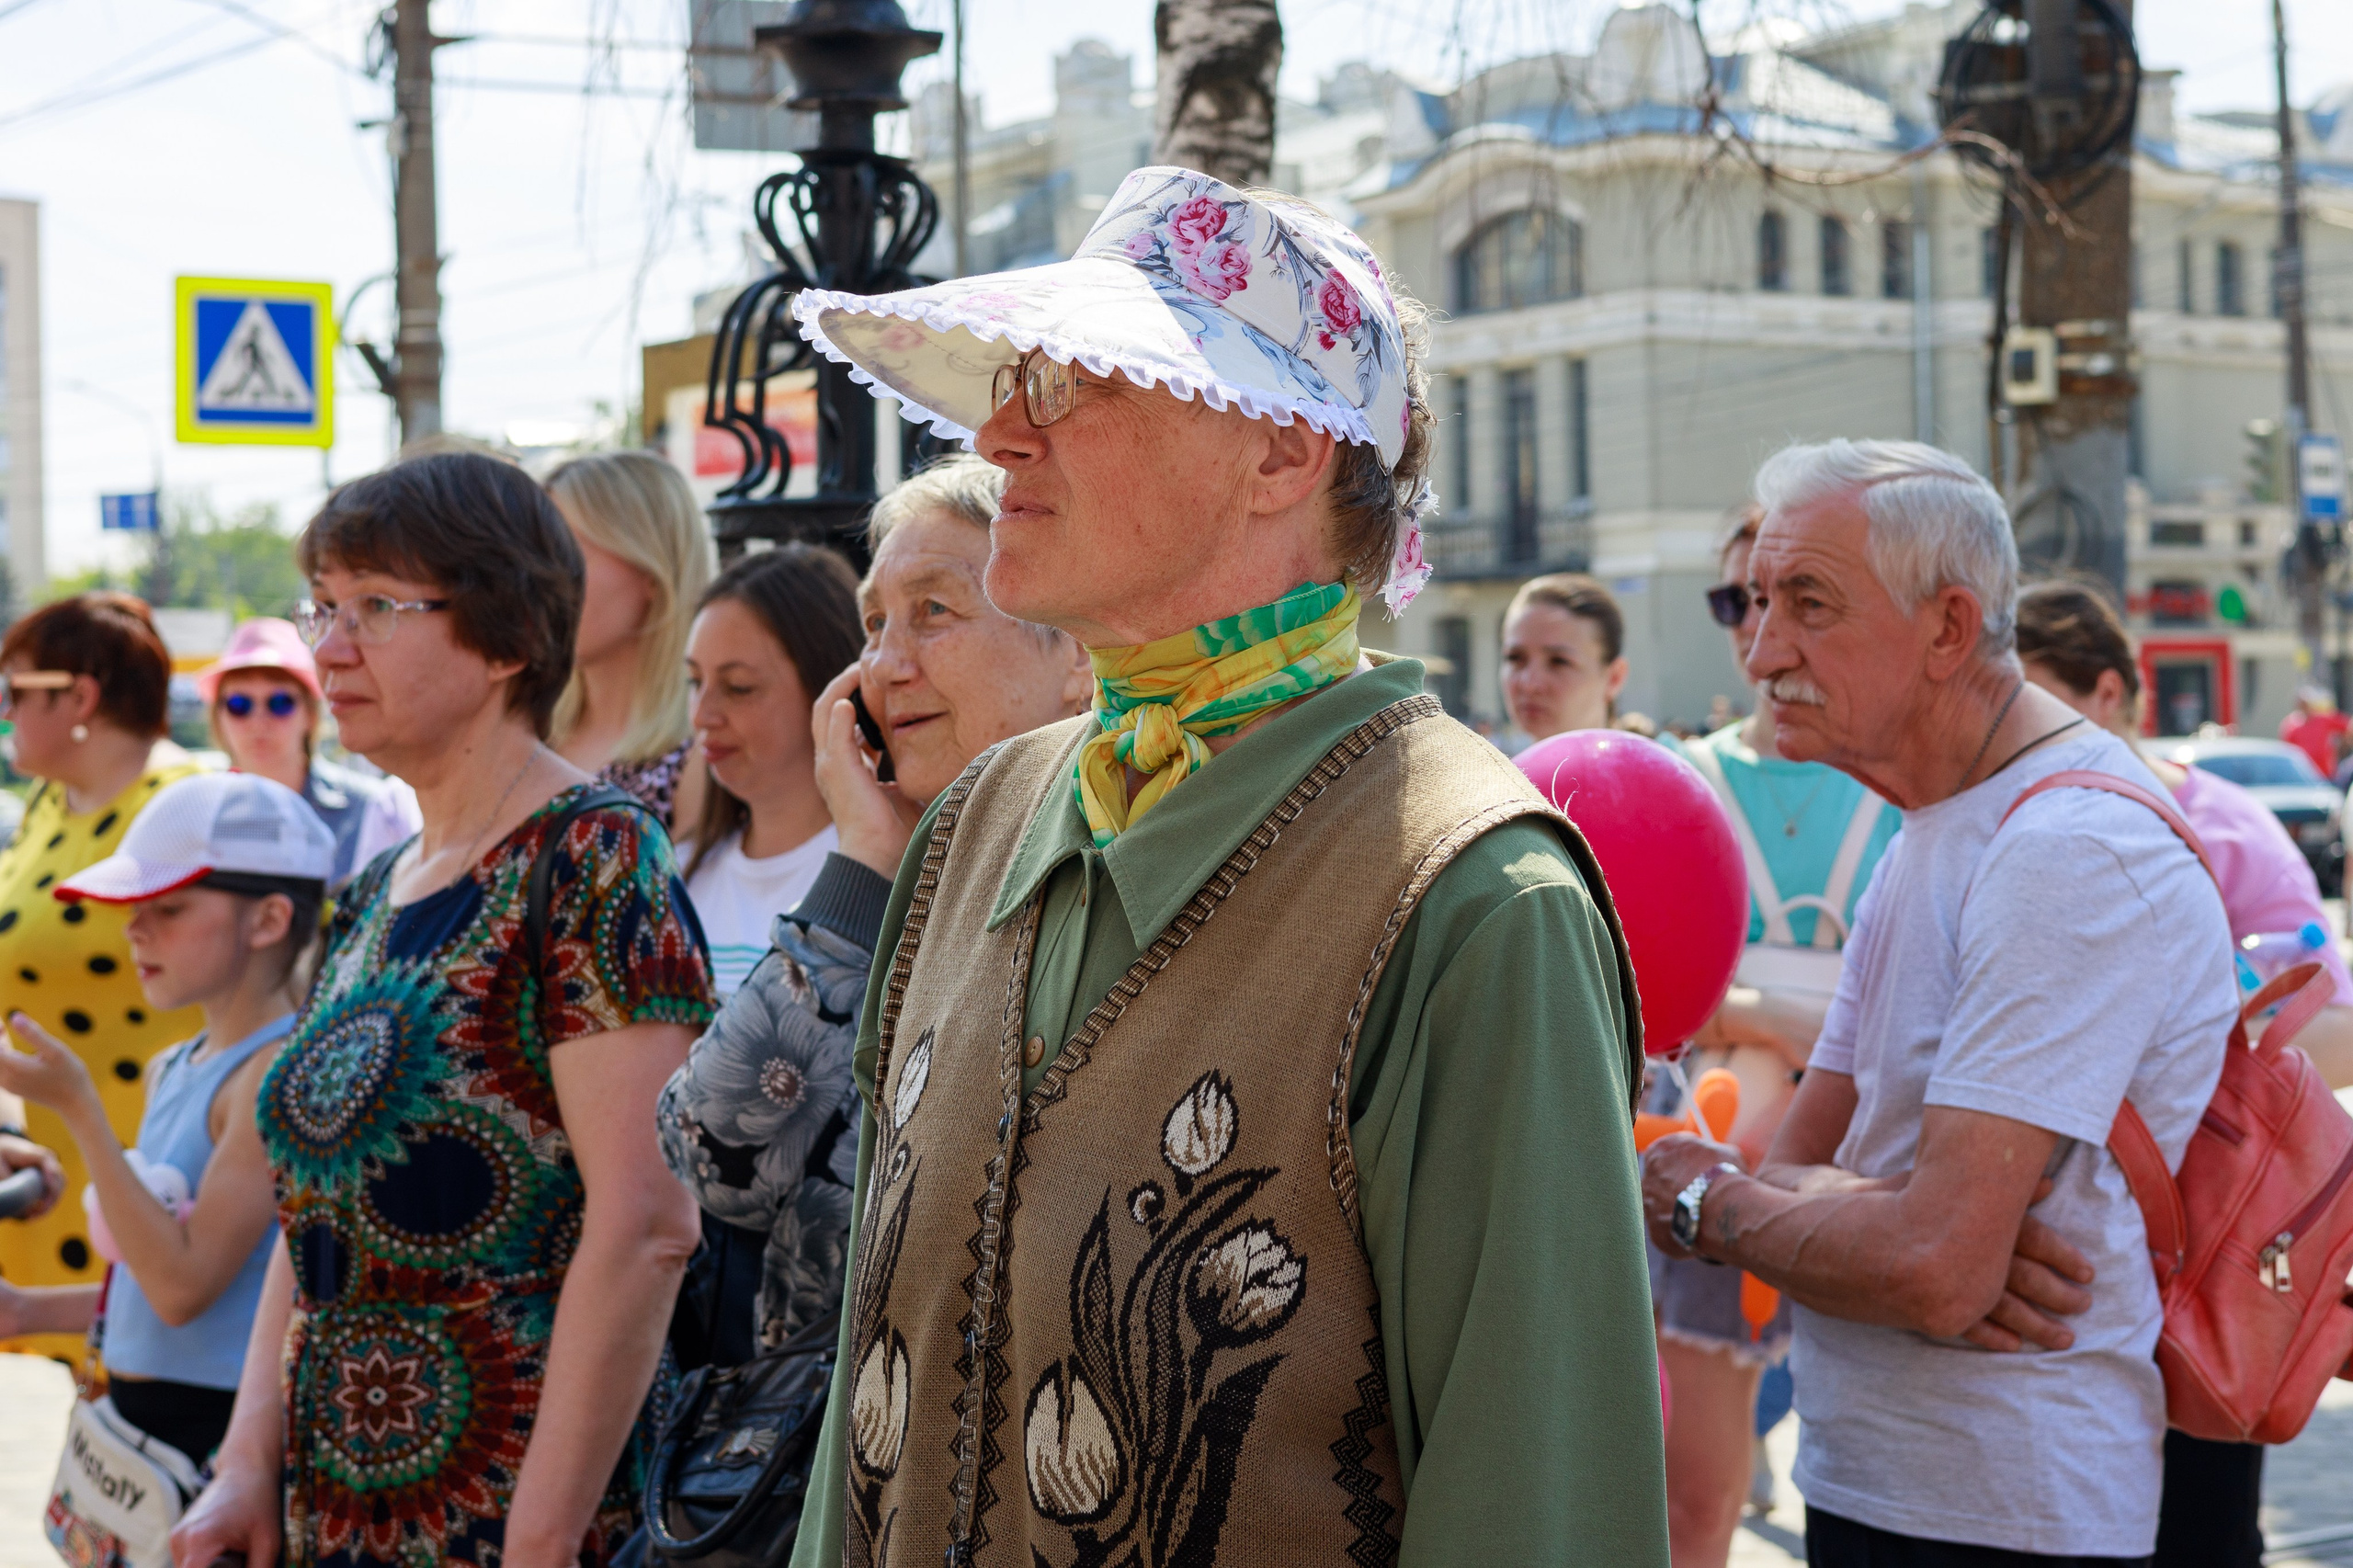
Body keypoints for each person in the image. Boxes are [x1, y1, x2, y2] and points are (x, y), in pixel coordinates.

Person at [783, 166, 1665, 1566]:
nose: (1000, 435)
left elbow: (1536, 1499)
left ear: (1283, 454)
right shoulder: (977, 823)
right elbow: (865, 1415)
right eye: (1010, 381)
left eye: (1077, 385)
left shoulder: (1475, 897)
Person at [1643, 438, 2237, 1566]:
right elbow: (1850, 1203)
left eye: (1808, 604)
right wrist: (1873, 1221)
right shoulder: (1941, 822)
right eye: (1759, 601)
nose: (1764, 651)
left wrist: (1704, 1203)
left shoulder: (2066, 847)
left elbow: (1926, 1262)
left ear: (1950, 628)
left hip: (2007, 1518)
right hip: (1883, 1485)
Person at [168, 452, 718, 1568]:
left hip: (511, 1512)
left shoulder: (590, 856)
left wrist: (543, 1533)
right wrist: (241, 1462)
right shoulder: (377, 889)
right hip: (339, 1508)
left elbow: (648, 1223)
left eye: (377, 606)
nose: (329, 645)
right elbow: (310, 1207)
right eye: (322, 605)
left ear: (508, 635)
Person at [655, 453, 1091, 1359]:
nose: (885, 664)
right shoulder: (893, 887)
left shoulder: (1121, 882)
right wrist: (865, 861)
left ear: (1079, 653)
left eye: (933, 611)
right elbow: (716, 1150)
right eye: (874, 624)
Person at [2015, 579, 2353, 1568]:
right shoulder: (2000, 824)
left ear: (2110, 694)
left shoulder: (2225, 824)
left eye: (2036, 700)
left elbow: (2331, 1027)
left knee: (2202, 1530)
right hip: (2058, 1278)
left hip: (2204, 1270)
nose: (2013, 731)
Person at [1656, 506, 1899, 1568]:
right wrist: (1784, 1015)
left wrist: (1742, 1006)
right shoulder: (1681, 781)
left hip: (1877, 1174)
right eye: (1735, 599)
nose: (1758, 626)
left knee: (1881, 1501)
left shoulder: (1902, 783)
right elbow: (1647, 989)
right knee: (1693, 1508)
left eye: (1790, 597)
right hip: (1709, 1179)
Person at [0, 772, 332, 1466]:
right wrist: (29, 1310)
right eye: (132, 907)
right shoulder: (174, 1063)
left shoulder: (271, 1076)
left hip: (216, 1436)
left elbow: (185, 1289)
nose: (135, 929)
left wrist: (80, 1109)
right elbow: (144, 1288)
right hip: (143, 1430)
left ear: (269, 920)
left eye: (170, 908)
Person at [0, 593, 206, 1364]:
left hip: (167, 1186)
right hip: (61, 1181)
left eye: (16, 691)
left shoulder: (182, 806)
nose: (6, 712)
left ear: (80, 696)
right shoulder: (52, 804)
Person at [677, 545, 863, 999]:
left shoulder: (869, 876)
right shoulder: (679, 872)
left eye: (738, 687)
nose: (703, 715)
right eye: (694, 682)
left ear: (827, 686)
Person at [545, 450, 715, 829]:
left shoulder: (702, 755)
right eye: (537, 556)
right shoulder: (527, 732)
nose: (542, 579)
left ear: (652, 571)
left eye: (568, 554)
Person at [198, 617, 421, 889]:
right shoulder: (199, 815)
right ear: (218, 716)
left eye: (280, 703)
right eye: (239, 704)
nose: (259, 721)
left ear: (311, 716)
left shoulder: (373, 809)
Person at [1500, 571, 1628, 742]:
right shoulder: (1483, 767)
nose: (1530, 684)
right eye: (1515, 658)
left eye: (1559, 662)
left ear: (1614, 678)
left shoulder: (1649, 768)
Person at [2279, 684, 2350, 778]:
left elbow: (2348, 725)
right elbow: (2287, 751)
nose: (2305, 707)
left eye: (2306, 703)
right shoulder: (2291, 724)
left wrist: (2342, 746)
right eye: (2302, 704)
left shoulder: (2323, 719)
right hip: (2302, 777)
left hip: (2326, 775)